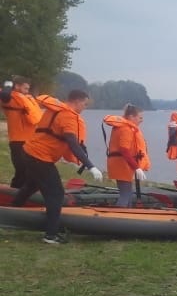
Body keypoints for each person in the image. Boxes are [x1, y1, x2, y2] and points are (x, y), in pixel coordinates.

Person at [10, 90, 103, 243]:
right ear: (77, 101)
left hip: (29, 152)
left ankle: (11, 212)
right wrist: (91, 166)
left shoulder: (55, 109)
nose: (84, 108)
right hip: (39, 157)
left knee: (31, 185)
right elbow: (73, 143)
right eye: (84, 104)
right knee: (56, 194)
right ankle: (51, 235)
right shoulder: (68, 116)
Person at [103, 104, 150, 207]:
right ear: (131, 117)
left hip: (121, 164)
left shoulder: (125, 127)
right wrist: (137, 167)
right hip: (121, 165)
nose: (141, 120)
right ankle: (118, 218)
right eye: (140, 117)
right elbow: (124, 150)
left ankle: (128, 214)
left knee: (128, 194)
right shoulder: (126, 129)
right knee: (125, 194)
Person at [1, 76, 43, 188]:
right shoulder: (10, 99)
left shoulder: (26, 99)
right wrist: (8, 84)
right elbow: (4, 95)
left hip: (30, 141)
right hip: (18, 141)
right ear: (17, 86)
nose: (27, 91)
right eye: (25, 88)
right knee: (21, 171)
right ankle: (14, 197)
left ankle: (22, 195)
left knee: (29, 171)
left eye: (28, 89)